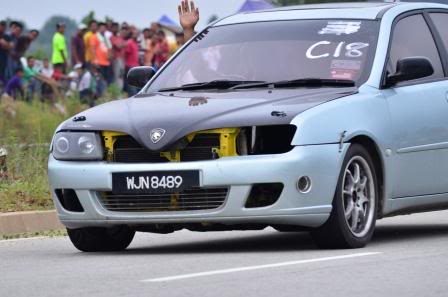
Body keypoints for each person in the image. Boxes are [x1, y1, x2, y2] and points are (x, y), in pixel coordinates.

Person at [110, 22, 126, 89]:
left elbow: (123, 45)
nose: (116, 29)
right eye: (114, 27)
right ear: (112, 28)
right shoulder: (111, 37)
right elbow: (118, 46)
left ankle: (120, 90)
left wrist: (121, 45)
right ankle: (117, 91)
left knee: (121, 75)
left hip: (122, 59)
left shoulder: (120, 37)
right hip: (116, 59)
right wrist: (121, 45)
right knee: (117, 76)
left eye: (117, 27)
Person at [123, 29, 139, 94]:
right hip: (130, 66)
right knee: (132, 85)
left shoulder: (135, 43)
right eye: (135, 34)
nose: (136, 35)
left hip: (136, 65)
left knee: (135, 84)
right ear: (132, 35)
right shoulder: (129, 42)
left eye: (137, 34)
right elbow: (125, 54)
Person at [0, 20, 11, 85]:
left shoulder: (6, 36)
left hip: (3, 58)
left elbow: (10, 46)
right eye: (1, 26)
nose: (2, 28)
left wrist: (4, 44)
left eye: (4, 27)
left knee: (2, 73)